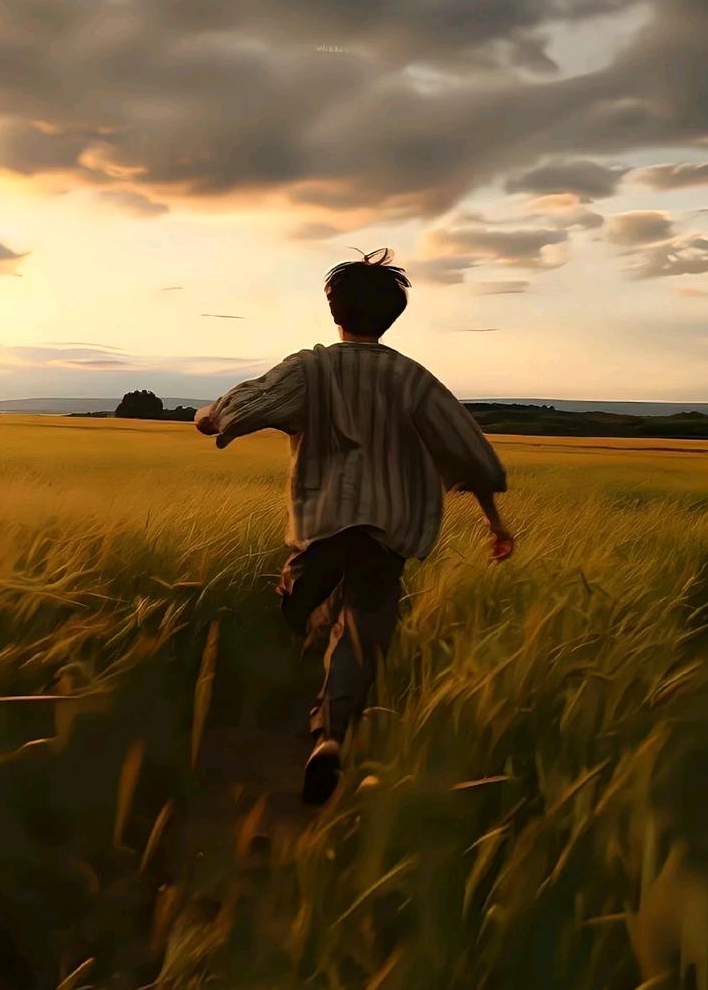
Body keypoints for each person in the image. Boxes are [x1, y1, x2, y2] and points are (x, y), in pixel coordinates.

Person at [193, 248, 514, 805]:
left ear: (334, 309)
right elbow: (471, 455)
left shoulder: (311, 368)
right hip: (387, 534)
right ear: (392, 316)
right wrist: (494, 521)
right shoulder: (412, 378)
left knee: (299, 600)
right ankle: (332, 736)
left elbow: (244, 406)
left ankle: (300, 619)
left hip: (323, 524)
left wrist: (211, 418)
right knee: (363, 634)